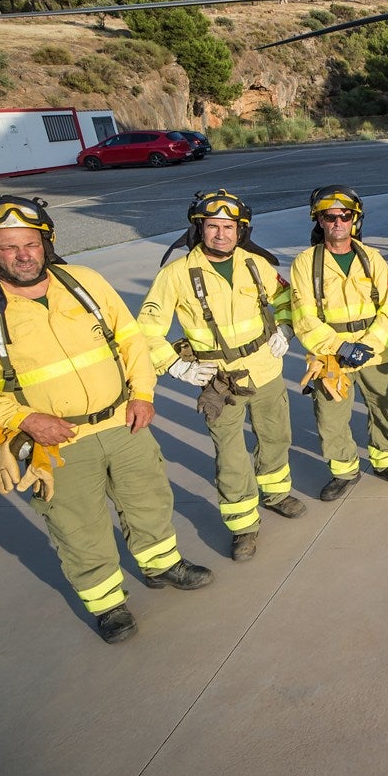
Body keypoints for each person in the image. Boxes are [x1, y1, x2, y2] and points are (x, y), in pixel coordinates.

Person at [0, 196, 212, 644]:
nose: (24, 254)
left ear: (46, 243)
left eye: (31, 243)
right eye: (8, 247)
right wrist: (24, 419)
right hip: (55, 443)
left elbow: (131, 341)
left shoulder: (84, 282)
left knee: (149, 501)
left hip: (124, 423)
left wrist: (143, 393)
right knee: (77, 524)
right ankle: (107, 604)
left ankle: (162, 564)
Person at [138, 189, 305, 563]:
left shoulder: (255, 264)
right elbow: (147, 329)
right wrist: (175, 365)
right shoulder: (175, 275)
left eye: (229, 227)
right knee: (231, 456)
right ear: (199, 229)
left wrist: (285, 330)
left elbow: (285, 300)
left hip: (266, 370)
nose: (221, 235)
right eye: (212, 226)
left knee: (276, 437)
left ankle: (276, 494)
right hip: (220, 382)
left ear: (240, 230)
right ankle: (243, 526)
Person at [290, 185, 388, 501]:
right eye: (330, 217)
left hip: (374, 350)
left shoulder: (372, 259)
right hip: (330, 356)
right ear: (319, 221)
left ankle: (385, 461)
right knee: (330, 416)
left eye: (346, 216)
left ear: (355, 220)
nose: (338, 223)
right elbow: (303, 316)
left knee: (383, 407)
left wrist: (370, 343)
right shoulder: (305, 263)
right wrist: (341, 348)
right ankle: (344, 471)